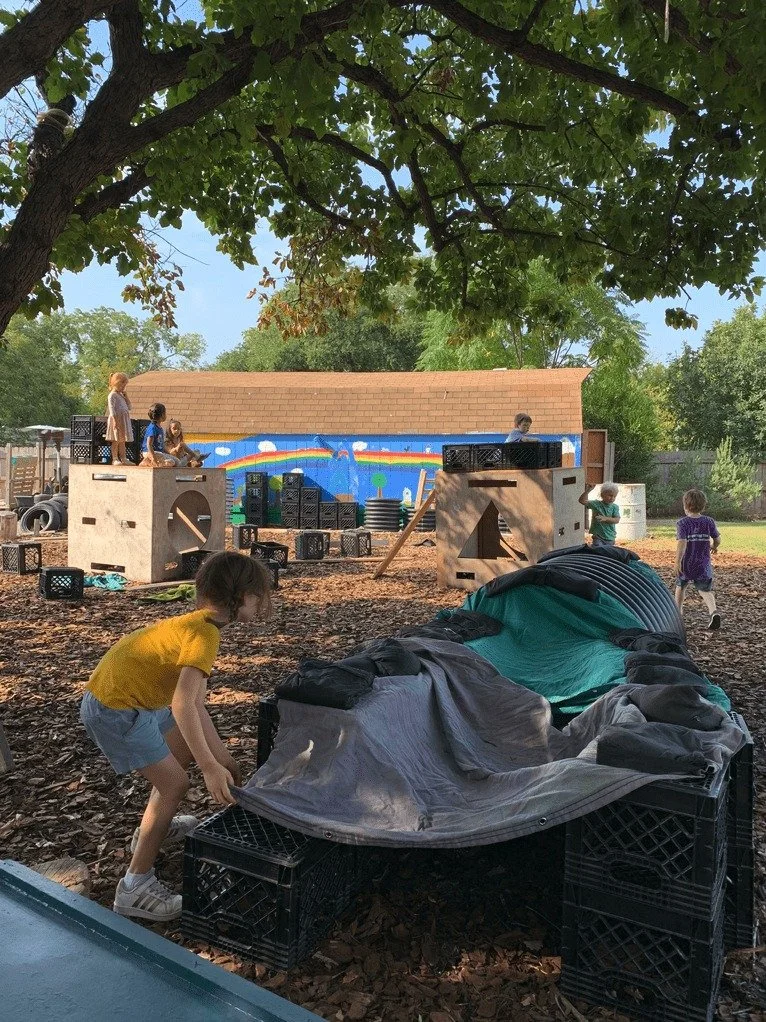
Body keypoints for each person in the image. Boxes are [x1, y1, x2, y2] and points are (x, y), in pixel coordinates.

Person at [79, 551, 273, 921]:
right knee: (175, 785)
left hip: (132, 700)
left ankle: (153, 830)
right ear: (241, 597)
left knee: (182, 749)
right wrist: (209, 768)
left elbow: (195, 707)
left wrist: (223, 759)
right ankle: (135, 887)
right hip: (115, 710)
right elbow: (184, 706)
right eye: (257, 595)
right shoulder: (204, 636)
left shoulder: (200, 624)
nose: (260, 603)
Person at [675, 488, 721, 630]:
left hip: (687, 562)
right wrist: (714, 546)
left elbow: (682, 543)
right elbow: (717, 538)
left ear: (685, 506)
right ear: (703, 505)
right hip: (703, 563)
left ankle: (678, 615)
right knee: (705, 590)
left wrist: (677, 561)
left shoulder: (682, 523)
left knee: (681, 586)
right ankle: (713, 612)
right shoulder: (709, 521)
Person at [140, 402, 185, 467]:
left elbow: (161, 445)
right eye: (165, 413)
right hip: (150, 453)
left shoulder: (160, 428)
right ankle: (147, 462)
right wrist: (153, 458)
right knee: (171, 462)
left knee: (177, 462)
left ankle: (157, 463)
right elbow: (149, 445)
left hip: (159, 453)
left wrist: (169, 453)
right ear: (161, 415)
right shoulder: (153, 428)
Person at [105, 372, 133, 466]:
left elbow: (129, 407)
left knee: (122, 441)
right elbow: (112, 410)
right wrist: (116, 422)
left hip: (124, 420)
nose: (124, 387)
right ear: (117, 383)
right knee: (116, 440)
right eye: (122, 384)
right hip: (116, 420)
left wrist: (126, 397)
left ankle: (124, 458)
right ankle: (115, 458)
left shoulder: (121, 395)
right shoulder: (112, 395)